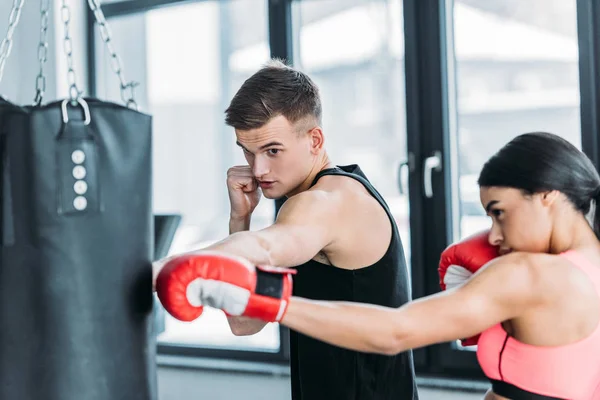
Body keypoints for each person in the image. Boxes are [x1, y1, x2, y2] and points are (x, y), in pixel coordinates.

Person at [156, 131, 600, 400]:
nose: (495, 236)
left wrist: (265, 299)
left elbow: (395, 331)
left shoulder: (527, 274)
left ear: (547, 196)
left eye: (499, 211)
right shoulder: (587, 266)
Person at [154, 59, 419, 400]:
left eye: (272, 150)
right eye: (248, 153)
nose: (259, 169)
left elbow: (265, 248)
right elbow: (244, 324)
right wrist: (241, 220)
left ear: (315, 139)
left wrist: (149, 273)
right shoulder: (302, 213)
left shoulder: (329, 201)